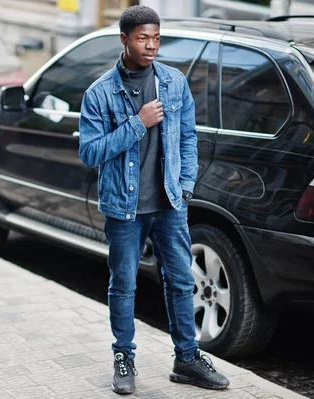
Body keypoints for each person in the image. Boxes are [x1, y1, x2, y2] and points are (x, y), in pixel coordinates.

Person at [78, 5, 230, 395]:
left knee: (181, 281)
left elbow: (188, 136)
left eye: (156, 38)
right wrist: (137, 123)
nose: (151, 46)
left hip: (169, 202)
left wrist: (185, 184)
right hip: (124, 207)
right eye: (143, 38)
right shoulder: (99, 93)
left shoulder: (174, 83)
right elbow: (90, 153)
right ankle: (124, 358)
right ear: (124, 39)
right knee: (123, 284)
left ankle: (187, 359)